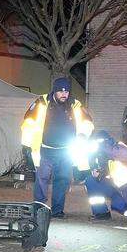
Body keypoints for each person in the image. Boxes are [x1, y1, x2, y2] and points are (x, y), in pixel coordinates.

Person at [21, 77, 94, 218]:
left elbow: (87, 121)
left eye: (66, 91)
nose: (64, 94)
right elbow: (28, 123)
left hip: (66, 152)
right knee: (41, 180)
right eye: (61, 91)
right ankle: (39, 208)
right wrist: (27, 146)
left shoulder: (75, 105)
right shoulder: (41, 103)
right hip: (45, 150)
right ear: (54, 91)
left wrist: (84, 135)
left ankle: (57, 211)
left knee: (62, 180)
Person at [84, 130, 127, 221]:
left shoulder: (119, 151)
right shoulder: (104, 150)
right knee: (90, 181)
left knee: (119, 206)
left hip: (126, 188)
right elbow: (96, 163)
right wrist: (94, 168)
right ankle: (101, 213)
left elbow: (113, 169)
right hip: (115, 185)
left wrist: (102, 172)